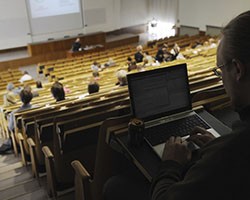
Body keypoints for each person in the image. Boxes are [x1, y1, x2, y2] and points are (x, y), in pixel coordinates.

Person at [151, 10, 250, 200]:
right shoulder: (227, 149)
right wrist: (217, 147)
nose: (221, 80)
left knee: (115, 185)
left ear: (238, 69)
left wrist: (171, 165)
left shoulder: (230, 153)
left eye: (220, 71)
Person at [0, 88, 36, 154]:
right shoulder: (37, 108)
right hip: (37, 135)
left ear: (20, 99)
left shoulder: (14, 113)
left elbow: (10, 128)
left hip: (22, 138)